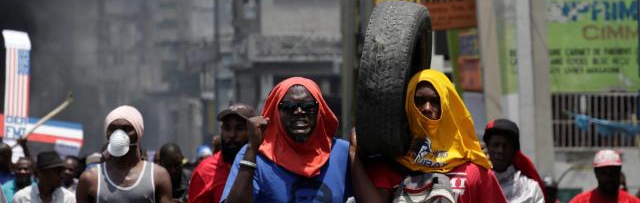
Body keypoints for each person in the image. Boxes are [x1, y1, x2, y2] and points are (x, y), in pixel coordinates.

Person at [350, 69, 507, 202]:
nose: (426, 108)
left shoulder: (474, 170)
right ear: (408, 106)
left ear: (447, 106)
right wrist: (354, 154)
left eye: (435, 101)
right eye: (419, 100)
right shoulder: (390, 165)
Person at [221, 77, 352, 202]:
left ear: (320, 111)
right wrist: (252, 147)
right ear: (276, 113)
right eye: (289, 107)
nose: (299, 112)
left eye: (308, 106)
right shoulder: (255, 156)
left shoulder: (343, 153)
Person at [76, 105, 173, 203]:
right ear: (107, 134)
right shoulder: (90, 178)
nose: (118, 134)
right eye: (113, 129)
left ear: (138, 133)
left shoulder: (158, 176)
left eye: (126, 129)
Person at [188, 103, 256, 203]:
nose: (232, 135)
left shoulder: (266, 167)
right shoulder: (205, 171)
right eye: (227, 128)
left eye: (239, 128)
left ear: (254, 131)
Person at [483, 119, 545, 202]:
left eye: (505, 146)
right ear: (487, 147)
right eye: (496, 145)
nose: (500, 151)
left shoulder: (531, 189)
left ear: (514, 150)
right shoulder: (476, 184)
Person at [569, 149, 639, 203]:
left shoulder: (631, 201)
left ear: (619, 172)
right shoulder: (580, 201)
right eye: (603, 173)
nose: (609, 178)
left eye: (613, 172)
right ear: (596, 173)